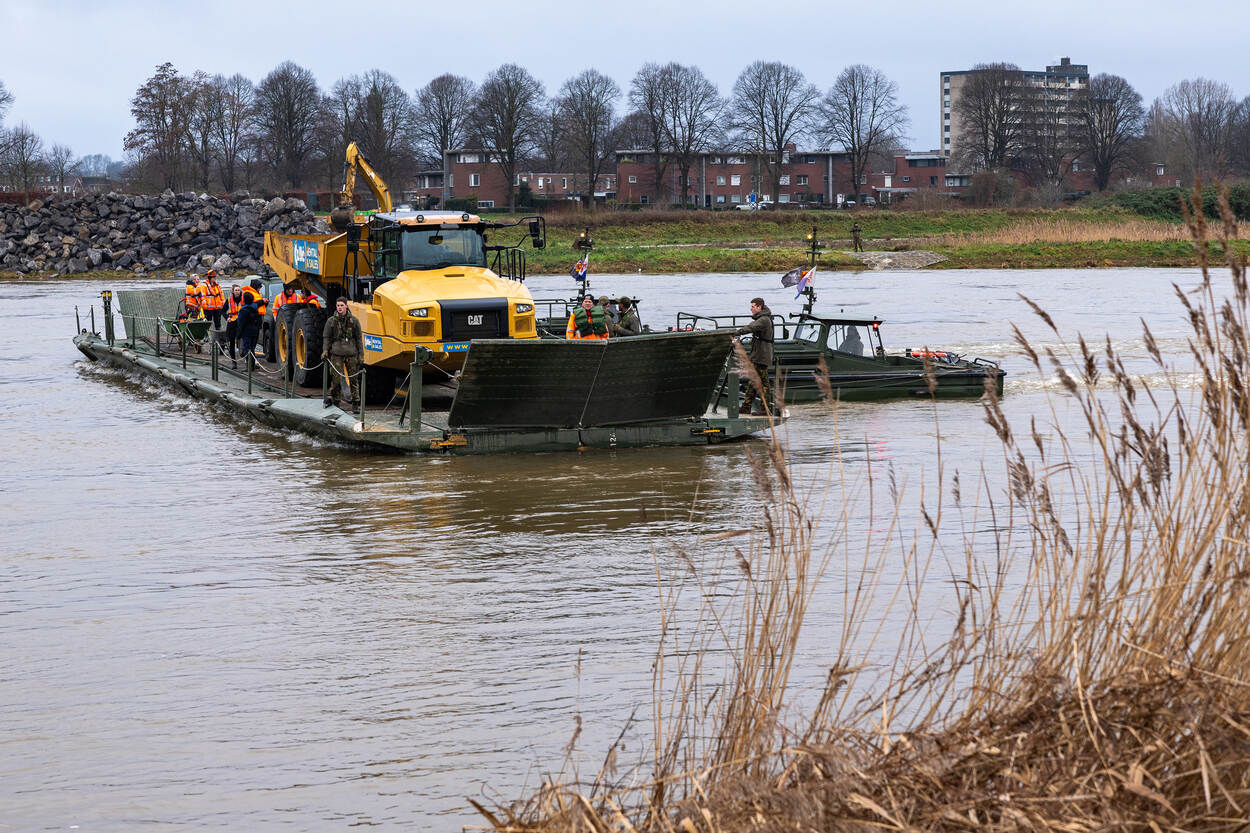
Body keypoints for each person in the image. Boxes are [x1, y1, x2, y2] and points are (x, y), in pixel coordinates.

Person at [732, 297, 775, 415]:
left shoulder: (764, 320)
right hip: (759, 354)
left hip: (762, 355)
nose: (751, 309)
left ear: (759, 307)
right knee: (753, 381)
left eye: (753, 306)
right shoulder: (761, 318)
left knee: (763, 383)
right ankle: (746, 407)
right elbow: (751, 326)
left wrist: (736, 332)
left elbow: (751, 328)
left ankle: (765, 409)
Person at [322, 297, 363, 412]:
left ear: (346, 306)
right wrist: (325, 350)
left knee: (353, 380)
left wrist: (361, 355)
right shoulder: (331, 321)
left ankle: (355, 403)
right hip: (336, 353)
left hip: (351, 353)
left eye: (341, 305)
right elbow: (326, 337)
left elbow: (359, 339)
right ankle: (336, 402)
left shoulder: (354, 321)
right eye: (338, 305)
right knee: (336, 380)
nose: (339, 308)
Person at [236, 297, 262, 370]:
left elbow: (241, 323)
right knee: (252, 348)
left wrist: (238, 335)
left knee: (247, 349)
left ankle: (249, 367)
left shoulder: (243, 310)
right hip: (254, 330)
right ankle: (252, 365)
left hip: (246, 331)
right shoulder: (255, 307)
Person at [224, 284, 245, 369]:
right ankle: (234, 362)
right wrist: (227, 318)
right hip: (232, 323)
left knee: (244, 341)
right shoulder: (229, 300)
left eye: (239, 290)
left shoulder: (243, 299)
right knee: (231, 343)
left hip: (241, 322)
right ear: (233, 291)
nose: (237, 292)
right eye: (236, 290)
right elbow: (223, 311)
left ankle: (247, 359)